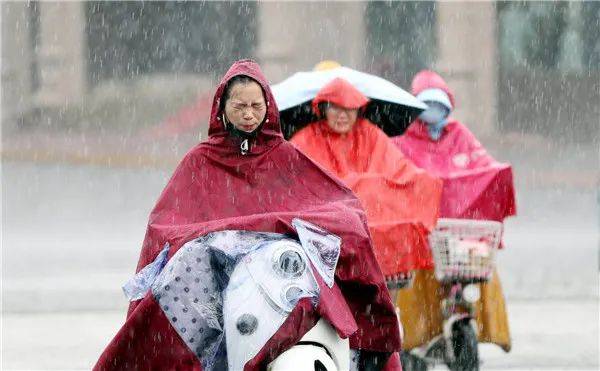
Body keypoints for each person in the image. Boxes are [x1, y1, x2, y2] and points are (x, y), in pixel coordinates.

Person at [94, 60, 402, 370]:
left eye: (256, 105)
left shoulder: (286, 156)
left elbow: (338, 203)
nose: (248, 113)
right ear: (222, 107)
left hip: (281, 278)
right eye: (240, 105)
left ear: (267, 107)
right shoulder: (199, 162)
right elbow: (166, 227)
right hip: (217, 285)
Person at [392, 70, 516, 352]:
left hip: (456, 230)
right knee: (416, 279)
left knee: (478, 268)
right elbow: (397, 172)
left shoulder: (460, 134)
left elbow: (482, 162)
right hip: (423, 231)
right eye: (427, 105)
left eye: (439, 105)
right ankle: (416, 338)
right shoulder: (403, 138)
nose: (434, 111)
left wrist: (496, 175)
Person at [290, 77, 442, 287]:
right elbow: (304, 185)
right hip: (332, 234)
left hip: (371, 229)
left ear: (358, 111)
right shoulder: (305, 139)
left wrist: (421, 182)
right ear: (323, 109)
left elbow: (399, 168)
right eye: (335, 108)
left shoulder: (369, 133)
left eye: (349, 109)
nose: (342, 115)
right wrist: (360, 189)